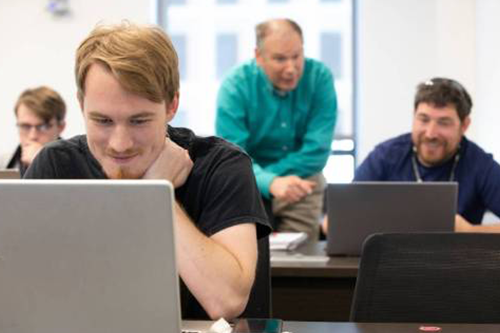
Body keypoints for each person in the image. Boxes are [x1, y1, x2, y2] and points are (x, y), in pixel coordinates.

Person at [24, 22, 271, 320]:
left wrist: (159, 194)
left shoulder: (223, 166)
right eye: (102, 121)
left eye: (139, 121)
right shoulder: (55, 165)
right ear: (81, 104)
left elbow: (226, 301)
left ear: (172, 105)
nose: (120, 144)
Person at [324, 77, 500, 234]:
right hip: (390, 262)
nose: (431, 133)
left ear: (464, 125)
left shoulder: (480, 165)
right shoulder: (386, 156)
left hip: (456, 265)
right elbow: (334, 222)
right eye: (423, 119)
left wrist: (469, 230)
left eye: (443, 123)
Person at [216, 18, 337, 240]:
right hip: (248, 179)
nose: (291, 68)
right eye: (280, 59)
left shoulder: (320, 78)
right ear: (259, 56)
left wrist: (278, 180)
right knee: (251, 253)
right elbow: (232, 157)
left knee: (300, 259)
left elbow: (316, 151)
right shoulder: (235, 86)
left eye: (296, 56)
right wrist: (269, 182)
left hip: (300, 181)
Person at [0, 86, 66, 176]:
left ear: (61, 127)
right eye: (25, 126)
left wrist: (43, 162)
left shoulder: (78, 163)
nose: (33, 136)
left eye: (43, 127)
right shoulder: (3, 164)